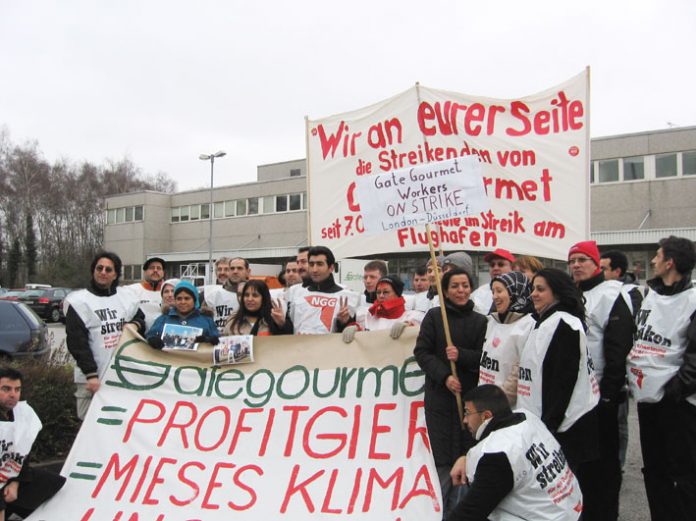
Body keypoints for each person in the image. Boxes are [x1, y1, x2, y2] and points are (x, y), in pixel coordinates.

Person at [518, 268, 600, 513]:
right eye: (533, 288)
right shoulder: (543, 322)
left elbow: (562, 382)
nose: (534, 294)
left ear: (558, 293)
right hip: (545, 425)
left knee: (563, 497)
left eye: (541, 289)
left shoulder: (565, 324)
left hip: (565, 427)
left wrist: (548, 427)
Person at [626, 236, 696, 521]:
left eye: (657, 255)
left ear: (670, 263)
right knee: (653, 470)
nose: (652, 261)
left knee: (682, 474)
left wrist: (671, 392)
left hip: (676, 404)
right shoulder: (650, 295)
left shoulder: (691, 301)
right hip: (647, 401)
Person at [413, 268, 487, 518]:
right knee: (442, 459)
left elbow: (485, 358)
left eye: (465, 285)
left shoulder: (481, 321)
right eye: (455, 286)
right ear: (445, 290)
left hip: (470, 401)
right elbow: (422, 353)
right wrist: (444, 376)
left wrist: (462, 356)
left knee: (468, 454)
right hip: (440, 401)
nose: (461, 290)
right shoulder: (435, 317)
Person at [568, 240, 634, 521]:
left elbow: (618, 348)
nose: (576, 265)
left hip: (601, 396)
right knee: (580, 465)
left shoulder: (611, 294)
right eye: (572, 261)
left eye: (582, 259)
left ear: (597, 264)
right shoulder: (570, 295)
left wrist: (608, 394)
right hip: (574, 396)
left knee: (604, 467)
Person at [449, 385, 583, 521]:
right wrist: (467, 457)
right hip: (570, 507)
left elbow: (471, 511)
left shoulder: (498, 453)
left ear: (486, 416)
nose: (465, 420)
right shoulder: (528, 418)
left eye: (467, 413)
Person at [65, 251, 145, 419]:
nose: (103, 272)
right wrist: (91, 374)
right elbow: (77, 342)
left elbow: (140, 318)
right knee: (87, 424)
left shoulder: (126, 297)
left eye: (108, 270)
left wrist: (134, 324)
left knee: (115, 424)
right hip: (90, 379)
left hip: (118, 377)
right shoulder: (79, 302)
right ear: (93, 270)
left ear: (115, 274)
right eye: (99, 268)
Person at [0, 368, 65, 521]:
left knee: (50, 482)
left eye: (17, 389)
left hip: (7, 475)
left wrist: (15, 482)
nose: (13, 394)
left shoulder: (20, 414)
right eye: (6, 389)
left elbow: (21, 454)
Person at [600, 249, 644, 469]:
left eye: (603, 269)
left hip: (622, 368)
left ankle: (619, 462)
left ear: (617, 271)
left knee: (619, 420)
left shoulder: (631, 294)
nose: (599, 272)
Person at [479, 272, 535, 406]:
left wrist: (499, 402)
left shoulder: (529, 325)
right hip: (485, 402)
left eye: (499, 291)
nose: (495, 296)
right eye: (493, 291)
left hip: (506, 407)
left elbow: (520, 371)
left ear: (515, 292)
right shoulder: (492, 321)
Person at [287, 246, 359, 334]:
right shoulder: (297, 293)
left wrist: (345, 322)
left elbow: (352, 336)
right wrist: (280, 323)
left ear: (331, 268)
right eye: (311, 264)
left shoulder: (347, 296)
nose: (314, 270)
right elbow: (288, 330)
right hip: (299, 346)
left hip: (330, 347)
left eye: (320, 264)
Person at [343, 275, 422, 342]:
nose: (381, 296)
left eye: (386, 292)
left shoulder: (411, 317)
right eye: (378, 292)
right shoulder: (367, 316)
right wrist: (355, 328)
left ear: (397, 294)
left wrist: (409, 328)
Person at [146, 280, 219, 348]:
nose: (183, 302)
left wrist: (207, 340)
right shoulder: (163, 319)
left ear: (195, 300)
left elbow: (217, 340)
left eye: (187, 298)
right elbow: (150, 335)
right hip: (168, 360)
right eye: (179, 299)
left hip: (196, 361)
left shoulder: (206, 320)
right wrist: (152, 339)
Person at [223, 279, 292, 336]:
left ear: (264, 298)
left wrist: (282, 325)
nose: (250, 299)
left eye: (255, 295)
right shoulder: (233, 321)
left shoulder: (274, 319)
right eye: (246, 295)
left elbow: (286, 343)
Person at [203, 257, 251, 331]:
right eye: (232, 268)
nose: (235, 271)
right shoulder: (212, 295)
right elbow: (203, 322)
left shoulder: (258, 293)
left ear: (248, 271)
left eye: (239, 268)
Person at [124, 256, 166, 330]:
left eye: (159, 268)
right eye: (152, 268)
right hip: (138, 335)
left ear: (163, 272)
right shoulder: (132, 290)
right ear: (145, 272)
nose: (155, 270)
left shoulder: (170, 292)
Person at [471, 248, 515, 315]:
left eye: (501, 264)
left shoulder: (521, 293)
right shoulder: (478, 294)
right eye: (492, 265)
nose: (495, 268)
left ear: (512, 268)